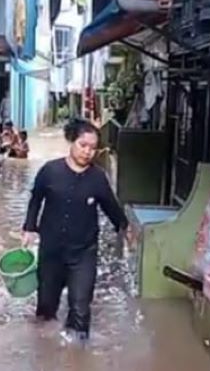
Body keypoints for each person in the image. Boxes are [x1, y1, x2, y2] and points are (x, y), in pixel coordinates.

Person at [22, 119, 131, 344]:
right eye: (83, 145)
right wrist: (29, 228)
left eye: (93, 148)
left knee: (80, 308)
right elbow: (36, 200)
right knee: (46, 309)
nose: (88, 152)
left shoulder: (98, 178)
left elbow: (111, 206)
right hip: (51, 251)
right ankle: (44, 354)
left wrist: (124, 228)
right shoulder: (49, 171)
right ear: (72, 141)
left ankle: (77, 358)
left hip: (83, 253)